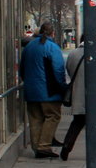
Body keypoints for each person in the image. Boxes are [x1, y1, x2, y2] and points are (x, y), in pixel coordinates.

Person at [20, 20, 68, 158]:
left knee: (35, 118)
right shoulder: (52, 47)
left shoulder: (29, 47)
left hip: (31, 90)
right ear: (53, 33)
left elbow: (22, 68)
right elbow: (58, 70)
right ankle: (44, 146)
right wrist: (62, 87)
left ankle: (36, 146)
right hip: (48, 90)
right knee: (52, 116)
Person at [59, 45, 87, 161]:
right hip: (94, 97)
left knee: (77, 123)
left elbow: (69, 71)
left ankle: (66, 147)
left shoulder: (73, 54)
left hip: (78, 93)